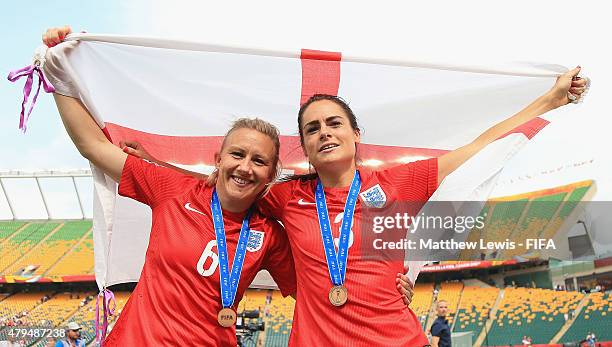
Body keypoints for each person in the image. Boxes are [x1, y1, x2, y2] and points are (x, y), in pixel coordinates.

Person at [43, 26, 587, 347]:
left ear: (355, 133)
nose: (324, 133)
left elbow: (480, 145)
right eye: (312, 128)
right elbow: (217, 186)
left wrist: (550, 99)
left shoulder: (400, 181)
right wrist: (62, 72)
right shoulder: (284, 198)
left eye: (334, 124)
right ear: (302, 146)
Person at [41, 26, 415, 346]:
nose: (245, 168)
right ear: (218, 158)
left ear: (270, 176)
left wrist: (390, 288)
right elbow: (93, 146)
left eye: (259, 162)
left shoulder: (269, 235)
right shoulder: (171, 190)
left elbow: (323, 286)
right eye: (237, 154)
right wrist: (59, 74)